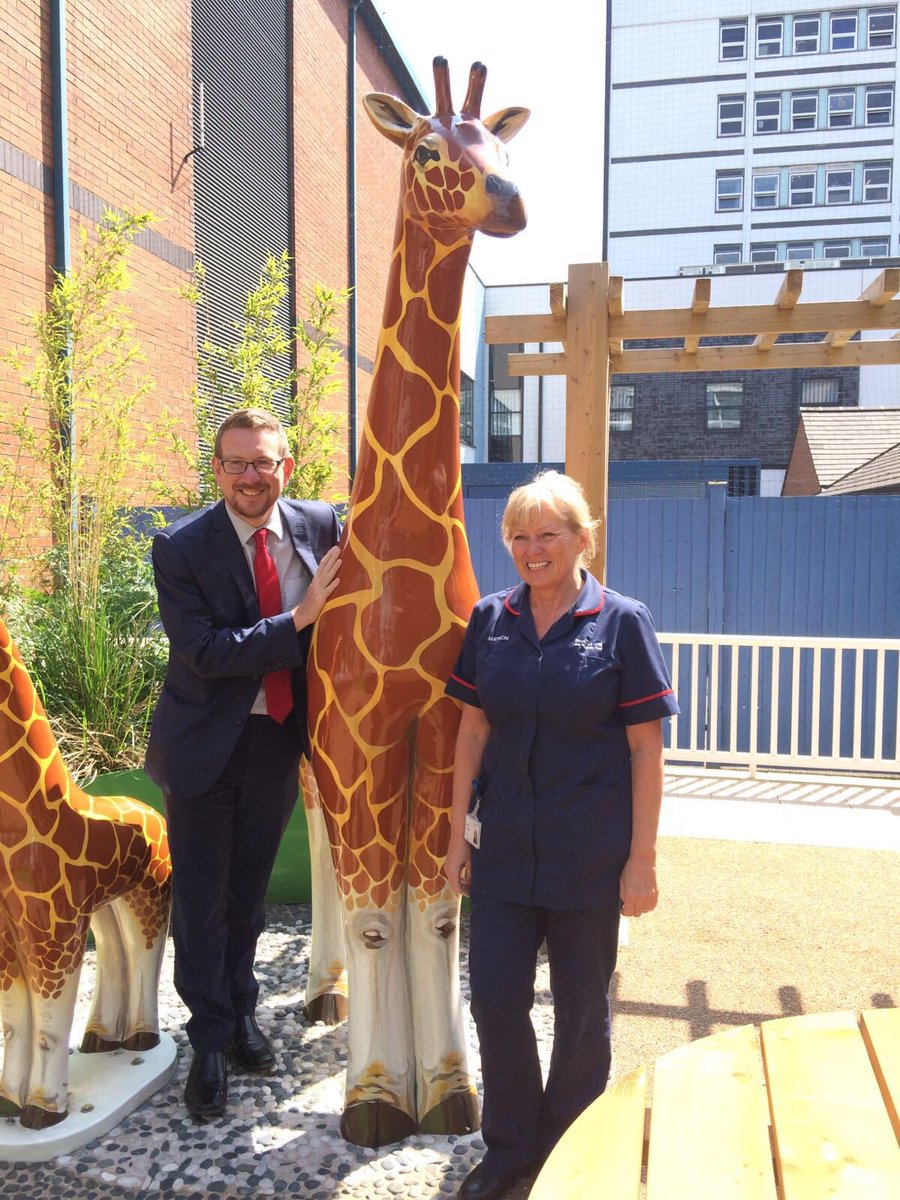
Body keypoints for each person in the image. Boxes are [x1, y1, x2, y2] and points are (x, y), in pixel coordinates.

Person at [444, 471, 679, 1200]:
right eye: (519, 534)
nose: (531, 547)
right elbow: (472, 731)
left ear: (583, 538)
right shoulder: (489, 620)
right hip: (505, 850)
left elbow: (646, 748)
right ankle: (511, 1148)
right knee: (495, 998)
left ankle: (568, 1146)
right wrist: (457, 839)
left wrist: (640, 860)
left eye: (548, 533)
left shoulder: (623, 621)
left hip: (589, 855)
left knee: (582, 1011)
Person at [145, 407, 342, 1121]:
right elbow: (204, 651)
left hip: (276, 740)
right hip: (202, 746)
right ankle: (209, 1041)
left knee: (247, 899)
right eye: (237, 463)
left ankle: (243, 1015)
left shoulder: (323, 527)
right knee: (201, 905)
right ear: (218, 470)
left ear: (285, 466)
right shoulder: (182, 547)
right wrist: (298, 620)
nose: (251, 476)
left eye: (264, 462)